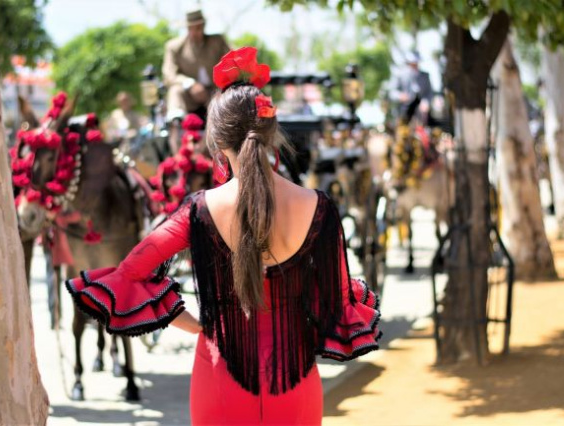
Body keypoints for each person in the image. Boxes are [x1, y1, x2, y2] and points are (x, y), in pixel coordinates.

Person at [65, 47, 381, 425]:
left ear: (215, 141)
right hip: (293, 377)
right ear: (270, 132)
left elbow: (131, 271)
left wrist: (195, 324)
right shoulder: (319, 207)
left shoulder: (199, 210)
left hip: (220, 371)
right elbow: (338, 299)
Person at [162, 9, 230, 153]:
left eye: (198, 27)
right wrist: (189, 83)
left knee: (226, 95)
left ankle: (216, 144)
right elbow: (169, 74)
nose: (195, 31)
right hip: (188, 95)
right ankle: (176, 136)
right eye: (191, 28)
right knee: (175, 91)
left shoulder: (217, 41)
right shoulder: (174, 47)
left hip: (214, 92)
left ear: (204, 26)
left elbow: (232, 63)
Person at [387, 51, 433, 125]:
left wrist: (426, 102)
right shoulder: (399, 75)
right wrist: (400, 96)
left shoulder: (425, 76)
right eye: (412, 64)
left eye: (416, 63)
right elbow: (392, 92)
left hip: (420, 113)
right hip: (404, 111)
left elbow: (429, 93)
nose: (414, 66)